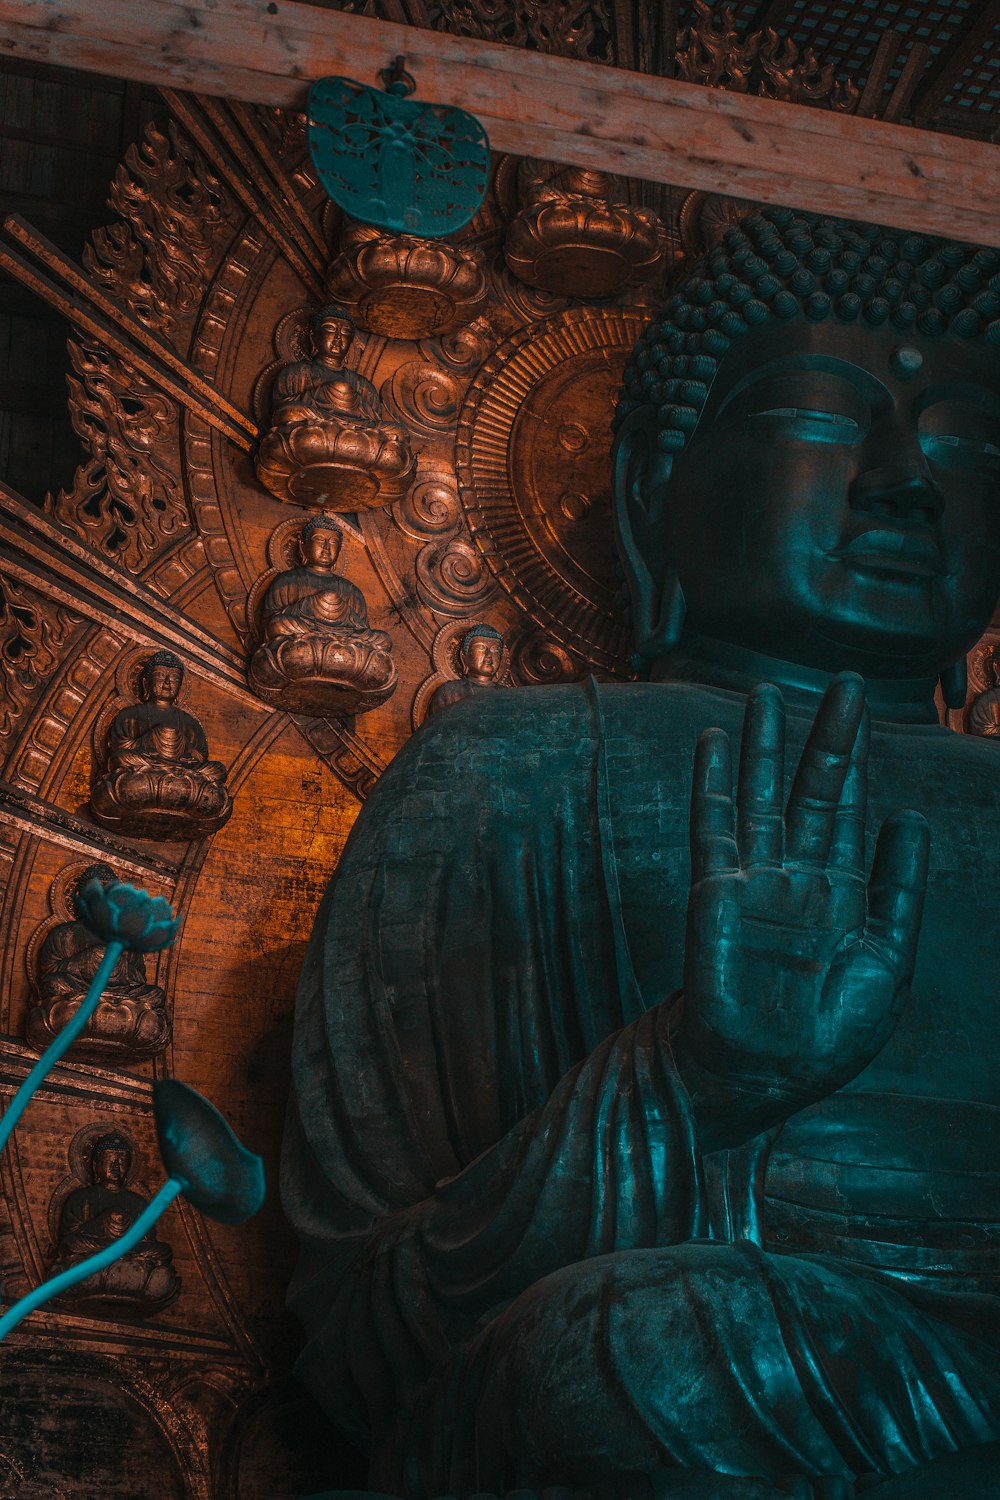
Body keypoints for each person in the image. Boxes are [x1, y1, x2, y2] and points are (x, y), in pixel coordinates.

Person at [282, 209, 1000, 1498]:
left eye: (966, 442)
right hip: (716, 1372)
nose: (904, 479)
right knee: (637, 1345)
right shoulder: (511, 765)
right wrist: (683, 1083)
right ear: (645, 494)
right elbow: (352, 1343)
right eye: (827, 420)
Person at [249, 517, 396, 714]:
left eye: (334, 543)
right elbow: (272, 626)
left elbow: (362, 632)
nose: (327, 547)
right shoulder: (287, 581)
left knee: (382, 640)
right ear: (303, 547)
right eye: (320, 540)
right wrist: (310, 606)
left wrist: (339, 614)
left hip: (342, 645)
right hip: (303, 639)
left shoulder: (351, 590)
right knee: (278, 625)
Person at [27, 862, 168, 1057]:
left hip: (118, 996)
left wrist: (120, 967)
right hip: (76, 994)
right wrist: (88, 959)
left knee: (155, 994)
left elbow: (138, 980)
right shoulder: (65, 934)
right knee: (54, 985)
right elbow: (50, 973)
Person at [90, 651, 231, 835]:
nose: (167, 682)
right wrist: (152, 738)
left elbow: (200, 758)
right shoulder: (130, 715)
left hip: (182, 774)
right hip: (144, 771)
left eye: (174, 678)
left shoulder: (189, 722)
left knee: (217, 770)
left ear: (180, 685)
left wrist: (184, 747)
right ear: (145, 682)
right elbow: (120, 753)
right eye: (160, 675)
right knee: (122, 761)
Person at [51, 1130, 179, 1313]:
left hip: (130, 1257)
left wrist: (125, 1246)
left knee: (162, 1251)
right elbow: (70, 1241)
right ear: (95, 1165)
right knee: (73, 1247)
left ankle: (119, 1262)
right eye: (110, 1160)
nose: (116, 1165)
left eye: (122, 1161)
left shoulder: (137, 1202)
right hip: (94, 1255)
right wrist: (105, 1221)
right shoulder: (81, 1198)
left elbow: (148, 1242)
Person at [428, 623, 507, 716]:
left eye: (495, 650)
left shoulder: (508, 695)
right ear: (464, 657)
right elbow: (435, 728)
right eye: (481, 648)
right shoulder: (450, 692)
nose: (488, 655)